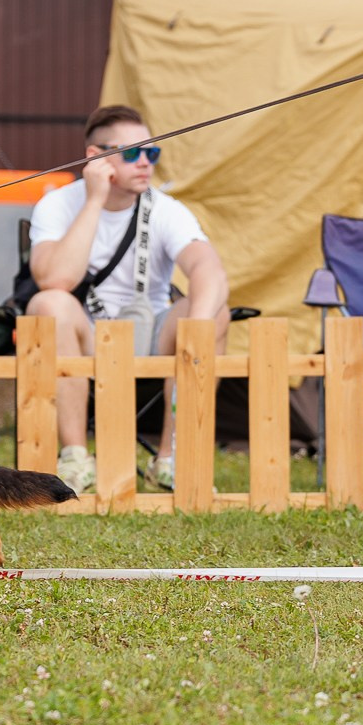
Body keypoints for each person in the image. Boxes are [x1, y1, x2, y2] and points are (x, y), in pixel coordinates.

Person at [27, 105, 228, 495]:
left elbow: (210, 269)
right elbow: (54, 278)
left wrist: (200, 327)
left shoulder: (167, 210)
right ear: (95, 157)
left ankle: (171, 459)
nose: (145, 164)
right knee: (48, 303)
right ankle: (74, 457)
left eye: (152, 153)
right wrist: (94, 201)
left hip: (151, 334)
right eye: (133, 152)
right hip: (83, 335)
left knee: (213, 309)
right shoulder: (58, 204)